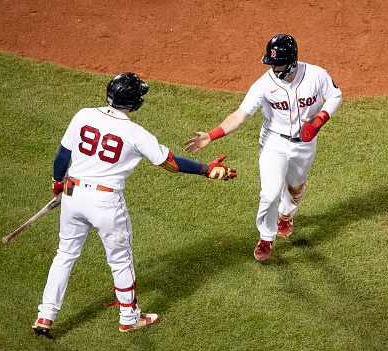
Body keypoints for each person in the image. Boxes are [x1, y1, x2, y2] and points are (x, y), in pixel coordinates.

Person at [33, 72, 237, 334]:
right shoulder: (135, 133)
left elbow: (63, 154)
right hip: (105, 202)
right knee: (120, 260)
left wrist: (57, 182)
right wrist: (206, 169)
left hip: (73, 194)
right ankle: (129, 318)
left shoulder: (83, 115)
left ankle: (45, 316)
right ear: (134, 102)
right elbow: (172, 164)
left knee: (64, 255)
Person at [185, 34, 342, 262]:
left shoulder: (316, 75)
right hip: (273, 142)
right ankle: (266, 237)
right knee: (269, 194)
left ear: (291, 61)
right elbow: (240, 116)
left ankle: (286, 216)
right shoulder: (264, 85)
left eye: (276, 63)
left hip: (305, 144)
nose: (272, 67)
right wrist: (211, 135)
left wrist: (319, 120)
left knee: (295, 187)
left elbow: (335, 95)